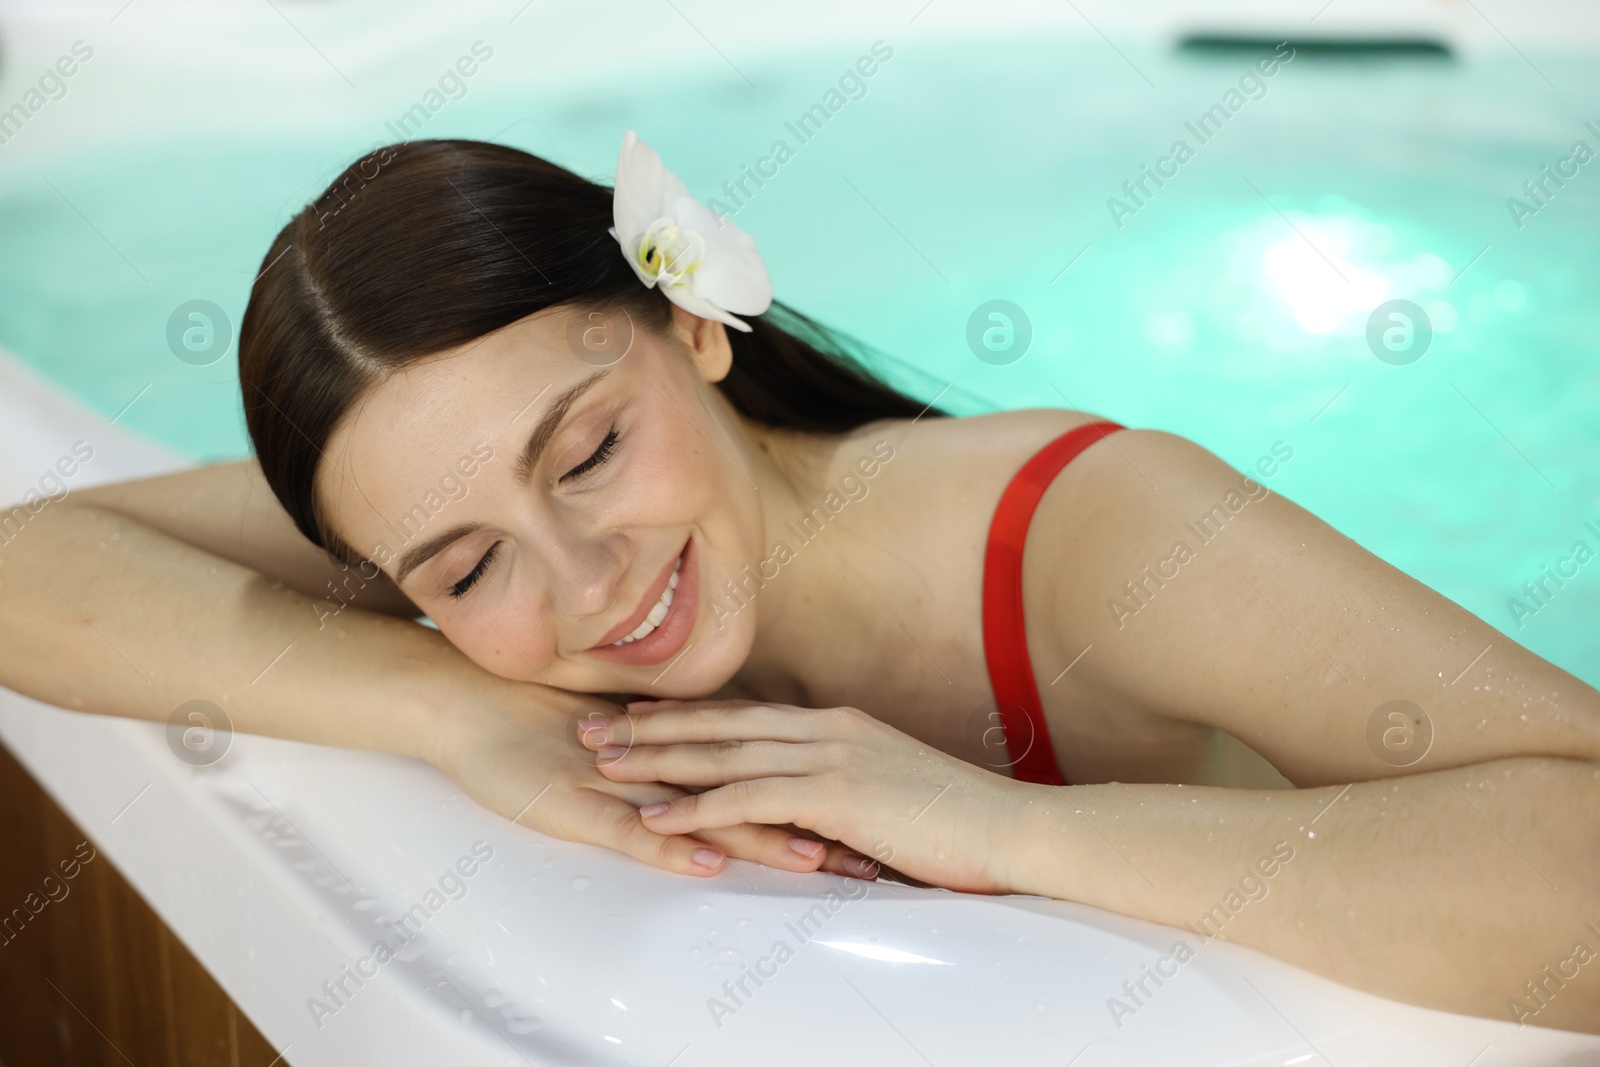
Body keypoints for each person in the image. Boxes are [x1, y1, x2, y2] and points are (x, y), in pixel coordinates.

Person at [3, 132, 1595, 1034]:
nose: (580, 583)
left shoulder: (1086, 537)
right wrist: (444, 708)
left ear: (694, 324)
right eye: (466, 563)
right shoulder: (466, 572)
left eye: (591, 453)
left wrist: (1002, 827)